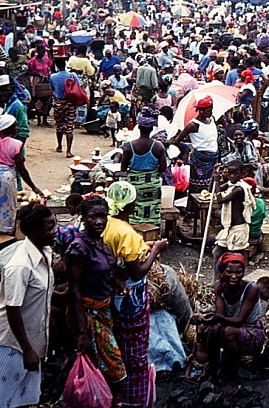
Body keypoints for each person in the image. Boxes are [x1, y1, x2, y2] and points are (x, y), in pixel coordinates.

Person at [0, 205, 56, 408]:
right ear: (34, 232)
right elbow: (12, 309)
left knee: (17, 400)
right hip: (9, 343)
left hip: (29, 342)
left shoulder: (45, 253)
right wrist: (27, 350)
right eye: (49, 228)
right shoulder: (20, 266)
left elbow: (39, 294)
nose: (55, 232)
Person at [101, 185, 168, 407]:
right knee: (135, 350)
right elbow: (136, 271)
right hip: (130, 297)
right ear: (131, 205)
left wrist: (144, 247)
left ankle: (114, 394)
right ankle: (133, 399)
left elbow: (123, 256)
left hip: (111, 292)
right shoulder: (125, 232)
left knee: (117, 341)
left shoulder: (107, 224)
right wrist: (156, 250)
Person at [67, 196, 126, 394]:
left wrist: (116, 282)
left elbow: (105, 271)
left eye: (103, 216)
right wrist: (82, 331)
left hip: (104, 310)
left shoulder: (100, 242)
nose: (99, 221)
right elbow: (74, 290)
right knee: (116, 369)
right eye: (94, 217)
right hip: (89, 315)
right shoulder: (79, 248)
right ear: (83, 218)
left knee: (102, 366)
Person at [190, 253, 264, 389]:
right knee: (214, 329)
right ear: (222, 271)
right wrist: (206, 319)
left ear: (244, 272)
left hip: (251, 332)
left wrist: (217, 318)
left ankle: (233, 377)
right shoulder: (219, 286)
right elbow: (220, 315)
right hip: (230, 326)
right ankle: (213, 372)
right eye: (229, 272)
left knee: (227, 332)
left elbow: (239, 321)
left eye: (239, 272)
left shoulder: (251, 289)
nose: (234, 276)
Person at [0, 114, 45, 235]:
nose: (16, 128)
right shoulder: (15, 144)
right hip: (7, 178)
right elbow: (21, 169)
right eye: (14, 126)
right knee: (7, 207)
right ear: (8, 128)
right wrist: (34, 187)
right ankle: (6, 231)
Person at [168, 95, 218, 215]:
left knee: (211, 185)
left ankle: (207, 211)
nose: (210, 111)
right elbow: (177, 141)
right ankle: (193, 212)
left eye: (211, 108)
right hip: (201, 159)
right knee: (197, 187)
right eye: (208, 109)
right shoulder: (193, 125)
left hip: (213, 157)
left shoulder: (212, 120)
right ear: (200, 110)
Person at [120, 108, 167, 223]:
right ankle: (153, 235)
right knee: (152, 213)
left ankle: (134, 235)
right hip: (153, 186)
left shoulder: (128, 146)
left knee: (134, 212)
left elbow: (123, 169)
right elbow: (163, 168)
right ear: (151, 129)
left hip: (135, 186)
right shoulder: (158, 146)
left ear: (139, 127)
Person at [211, 160, 257, 261]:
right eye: (229, 173)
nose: (232, 176)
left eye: (235, 174)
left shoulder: (239, 189)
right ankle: (216, 277)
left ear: (242, 174)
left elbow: (220, 200)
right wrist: (214, 176)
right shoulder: (230, 184)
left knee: (235, 257)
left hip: (238, 229)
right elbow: (213, 189)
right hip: (229, 228)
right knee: (216, 252)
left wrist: (218, 181)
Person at [50, 57, 81, 157]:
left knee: (59, 125)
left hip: (58, 102)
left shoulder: (53, 76)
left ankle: (59, 146)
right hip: (70, 103)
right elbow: (79, 87)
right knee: (69, 126)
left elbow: (53, 89)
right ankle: (68, 151)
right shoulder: (72, 75)